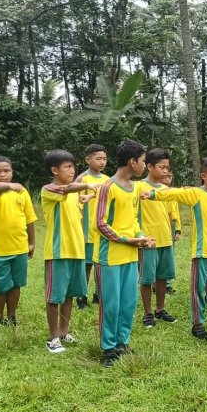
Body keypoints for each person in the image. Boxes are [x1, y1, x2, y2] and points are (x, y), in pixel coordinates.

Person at [144, 156, 207, 340]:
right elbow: (174, 194)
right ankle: (198, 324)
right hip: (202, 251)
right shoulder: (196, 193)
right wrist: (153, 194)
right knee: (199, 288)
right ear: (203, 175)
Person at [95, 140, 154, 367]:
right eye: (143, 161)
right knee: (111, 304)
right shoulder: (108, 187)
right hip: (109, 257)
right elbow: (100, 224)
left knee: (128, 302)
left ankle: (123, 342)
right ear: (132, 162)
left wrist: (141, 236)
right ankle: (108, 349)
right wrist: (126, 240)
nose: (144, 165)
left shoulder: (133, 188)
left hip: (131, 255)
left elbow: (134, 220)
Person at [40, 150, 98, 353]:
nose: (72, 171)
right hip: (58, 252)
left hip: (76, 251)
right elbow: (66, 190)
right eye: (67, 167)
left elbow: (76, 210)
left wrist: (88, 196)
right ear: (54, 170)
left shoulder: (74, 194)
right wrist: (87, 185)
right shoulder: (49, 190)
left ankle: (64, 332)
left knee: (69, 295)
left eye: (73, 167)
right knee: (54, 296)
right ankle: (52, 337)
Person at [0, 156, 37, 326]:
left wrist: (32, 243)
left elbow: (30, 218)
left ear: (12, 172)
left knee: (15, 285)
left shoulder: (22, 192)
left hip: (19, 247)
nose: (2, 175)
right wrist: (11, 185)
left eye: (6, 171)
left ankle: (12, 317)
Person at [135, 149, 178, 328]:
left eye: (168, 167)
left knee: (162, 277)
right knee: (146, 278)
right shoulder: (138, 187)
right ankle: (148, 313)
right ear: (150, 166)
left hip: (165, 240)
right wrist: (140, 236)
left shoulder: (166, 190)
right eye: (162, 167)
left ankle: (160, 309)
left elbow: (169, 214)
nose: (166, 171)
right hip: (148, 241)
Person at [75, 144, 109, 309]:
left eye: (104, 158)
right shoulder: (82, 180)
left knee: (100, 264)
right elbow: (77, 206)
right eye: (98, 158)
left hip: (102, 230)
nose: (102, 162)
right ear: (88, 160)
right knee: (86, 264)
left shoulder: (107, 180)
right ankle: (82, 296)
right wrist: (81, 230)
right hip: (87, 231)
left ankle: (99, 294)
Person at [160, 172, 181, 294]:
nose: (168, 178)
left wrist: (178, 229)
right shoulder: (159, 192)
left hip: (172, 225)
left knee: (170, 255)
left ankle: (167, 284)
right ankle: (157, 284)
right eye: (165, 176)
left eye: (170, 176)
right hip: (163, 225)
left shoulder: (173, 192)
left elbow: (176, 212)